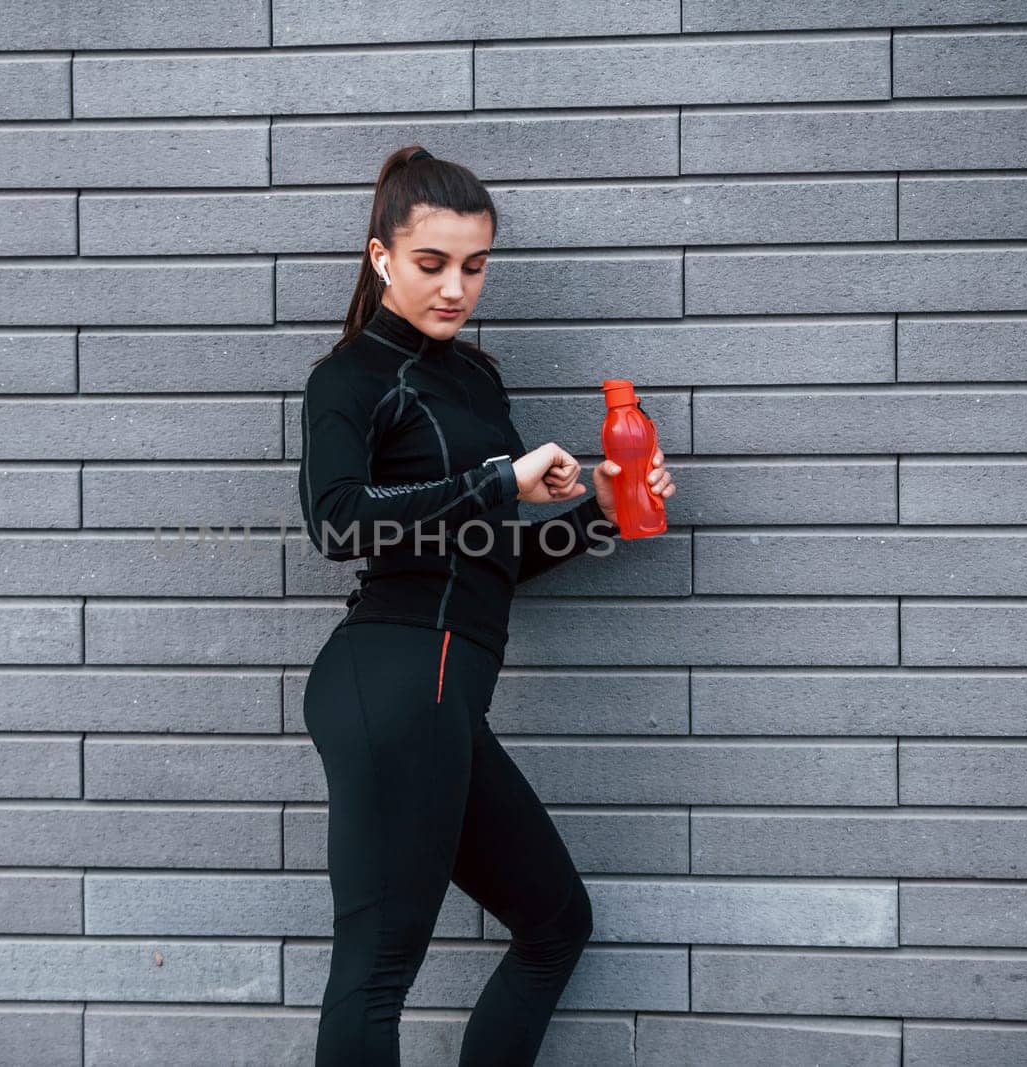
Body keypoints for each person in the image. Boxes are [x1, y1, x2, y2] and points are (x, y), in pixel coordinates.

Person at [297, 144, 675, 1066]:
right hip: (391, 678)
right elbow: (338, 522)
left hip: (442, 697)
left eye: (474, 265)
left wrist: (602, 515)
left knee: (555, 922)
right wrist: (495, 479)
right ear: (381, 256)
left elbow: (487, 558)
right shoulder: (347, 378)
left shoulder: (476, 379)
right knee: (377, 968)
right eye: (432, 264)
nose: (455, 287)